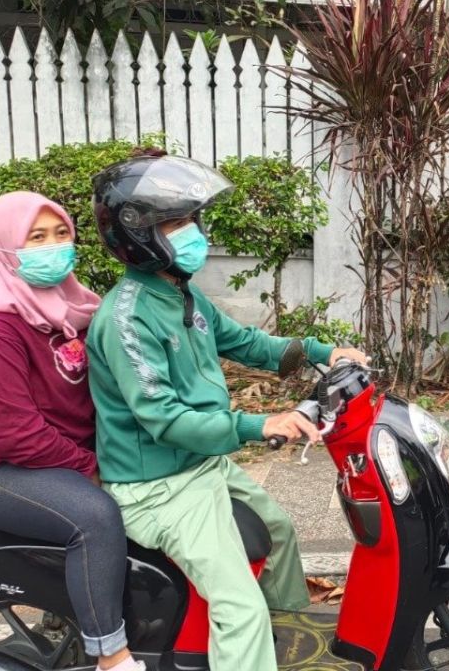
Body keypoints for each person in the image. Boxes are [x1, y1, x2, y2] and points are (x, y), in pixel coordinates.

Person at [85, 150, 368, 671]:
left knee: (278, 530)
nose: (192, 232)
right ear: (140, 236)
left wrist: (323, 352)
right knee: (239, 609)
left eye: (192, 219)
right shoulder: (125, 319)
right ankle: (250, 648)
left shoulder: (179, 294)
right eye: (175, 223)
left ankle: (286, 645)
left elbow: (246, 343)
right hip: (158, 488)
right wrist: (260, 425)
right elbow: (164, 420)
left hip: (200, 465)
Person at [0, 192, 142, 671]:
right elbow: (11, 434)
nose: (53, 247)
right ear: (4, 249)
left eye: (60, 234)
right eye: (36, 238)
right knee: (93, 518)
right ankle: (111, 655)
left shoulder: (66, 309)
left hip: (57, 456)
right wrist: (88, 467)